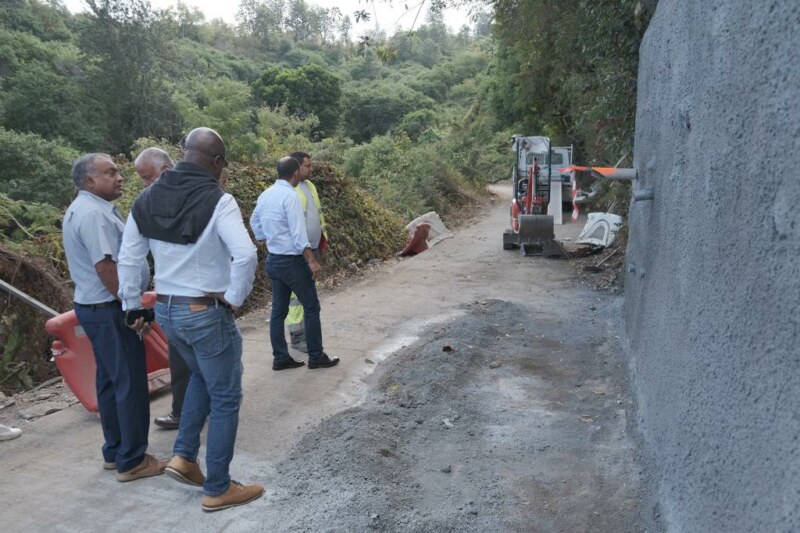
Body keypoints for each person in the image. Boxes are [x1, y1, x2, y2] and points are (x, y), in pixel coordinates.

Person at [118, 128, 263, 512]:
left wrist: (132, 304)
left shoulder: (145, 199)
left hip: (165, 310)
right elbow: (246, 255)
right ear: (217, 163)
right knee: (227, 396)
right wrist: (234, 297)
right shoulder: (219, 199)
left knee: (199, 376)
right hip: (204, 311)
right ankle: (218, 487)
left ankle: (183, 457)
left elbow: (130, 258)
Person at [62, 153, 165, 482]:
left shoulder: (85, 208)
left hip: (94, 308)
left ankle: (115, 450)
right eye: (110, 172)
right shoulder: (94, 215)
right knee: (130, 383)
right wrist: (131, 305)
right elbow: (106, 267)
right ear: (90, 181)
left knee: (109, 380)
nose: (120, 177)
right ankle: (132, 460)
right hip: (109, 308)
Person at [250, 156, 339, 371]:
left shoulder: (266, 194)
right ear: (295, 173)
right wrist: (311, 261)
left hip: (274, 261)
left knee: (278, 312)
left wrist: (263, 237)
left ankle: (280, 358)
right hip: (293, 262)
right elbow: (299, 235)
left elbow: (254, 221)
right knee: (311, 306)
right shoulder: (291, 197)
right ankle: (316, 356)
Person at [133, 147, 190, 431]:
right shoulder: (201, 194)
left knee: (184, 357)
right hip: (190, 295)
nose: (145, 185)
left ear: (166, 171)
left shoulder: (153, 204)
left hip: (182, 297)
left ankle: (184, 412)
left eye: (147, 177)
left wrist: (131, 302)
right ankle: (199, 407)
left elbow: (131, 255)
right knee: (194, 357)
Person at [284, 151, 329, 353]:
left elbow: (317, 216)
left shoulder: (309, 186)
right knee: (296, 298)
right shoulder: (291, 192)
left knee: (307, 296)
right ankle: (296, 336)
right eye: (307, 166)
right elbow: (294, 226)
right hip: (300, 252)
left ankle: (306, 335)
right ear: (296, 168)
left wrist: (322, 241)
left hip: (312, 247)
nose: (311, 169)